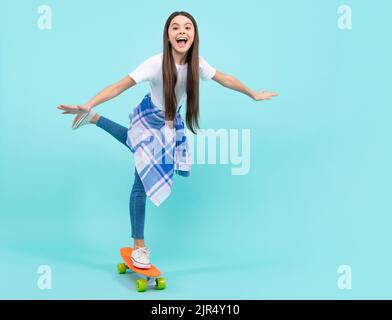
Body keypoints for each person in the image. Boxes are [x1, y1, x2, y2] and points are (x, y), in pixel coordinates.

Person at [57, 11, 278, 269]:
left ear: (194, 35)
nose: (181, 31)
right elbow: (119, 86)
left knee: (134, 144)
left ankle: (94, 120)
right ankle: (138, 247)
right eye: (175, 27)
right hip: (148, 117)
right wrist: (88, 103)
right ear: (168, 35)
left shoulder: (198, 64)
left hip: (170, 123)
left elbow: (225, 78)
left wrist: (252, 94)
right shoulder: (155, 63)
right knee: (140, 178)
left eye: (187, 27)